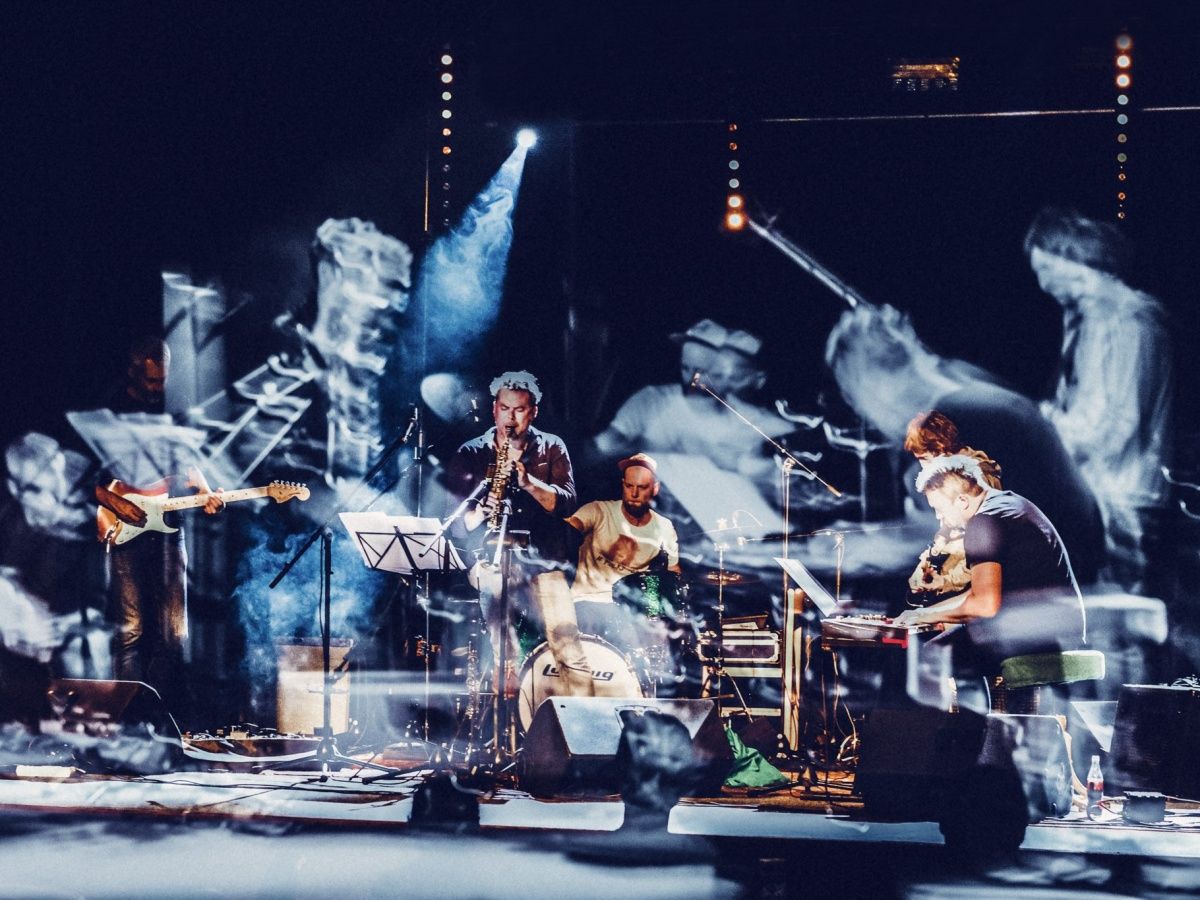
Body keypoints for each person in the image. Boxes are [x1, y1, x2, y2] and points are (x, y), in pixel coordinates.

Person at [825, 303, 1105, 584]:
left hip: (1052, 589)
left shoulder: (953, 419)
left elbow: (956, 541)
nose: (861, 410)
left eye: (853, 393)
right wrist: (873, 540)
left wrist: (859, 550)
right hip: (1063, 569)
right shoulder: (964, 389)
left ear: (873, 382)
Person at [1024, 207, 1173, 587]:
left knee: (1118, 613)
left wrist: (1042, 429)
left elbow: (1114, 427)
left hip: (1124, 501)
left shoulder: (1126, 320)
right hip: (1102, 494)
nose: (1042, 284)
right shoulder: (1092, 319)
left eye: (1046, 269)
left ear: (1072, 257)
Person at [93, 337, 224, 712]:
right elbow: (86, 477)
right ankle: (124, 717)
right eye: (151, 380)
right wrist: (114, 503)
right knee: (131, 630)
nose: (158, 388)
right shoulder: (110, 409)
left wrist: (204, 490)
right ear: (133, 371)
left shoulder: (173, 408)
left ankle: (155, 714)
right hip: (125, 525)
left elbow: (186, 459)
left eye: (163, 379)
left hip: (168, 525)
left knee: (175, 633)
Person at [444, 370, 591, 696]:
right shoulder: (472, 452)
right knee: (504, 651)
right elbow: (454, 523)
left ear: (533, 411)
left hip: (543, 562)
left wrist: (528, 483)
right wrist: (481, 511)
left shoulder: (552, 447)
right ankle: (508, 700)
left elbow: (567, 504)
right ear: (494, 409)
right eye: (505, 409)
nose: (511, 419)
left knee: (568, 647)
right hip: (492, 560)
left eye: (520, 410)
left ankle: (584, 716)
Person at [894, 455, 1087, 679]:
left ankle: (971, 704)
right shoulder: (1009, 504)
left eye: (940, 509)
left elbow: (985, 606)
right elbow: (980, 596)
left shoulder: (983, 523)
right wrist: (926, 615)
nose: (940, 518)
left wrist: (925, 615)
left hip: (1040, 641)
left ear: (962, 501)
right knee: (949, 641)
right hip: (1062, 634)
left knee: (928, 656)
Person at [566, 453, 681, 649]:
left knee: (651, 645)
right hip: (585, 603)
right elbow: (564, 531)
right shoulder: (598, 511)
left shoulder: (664, 527)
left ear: (655, 489)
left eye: (642, 487)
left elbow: (674, 571)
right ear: (623, 485)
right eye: (629, 486)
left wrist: (673, 609)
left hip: (627, 611)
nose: (634, 493)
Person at [904, 411, 1002, 606]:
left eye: (924, 459)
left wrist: (946, 581)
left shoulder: (977, 479)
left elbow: (980, 549)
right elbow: (947, 528)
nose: (923, 468)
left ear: (940, 448)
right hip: (956, 570)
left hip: (976, 580)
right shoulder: (947, 475)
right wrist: (926, 563)